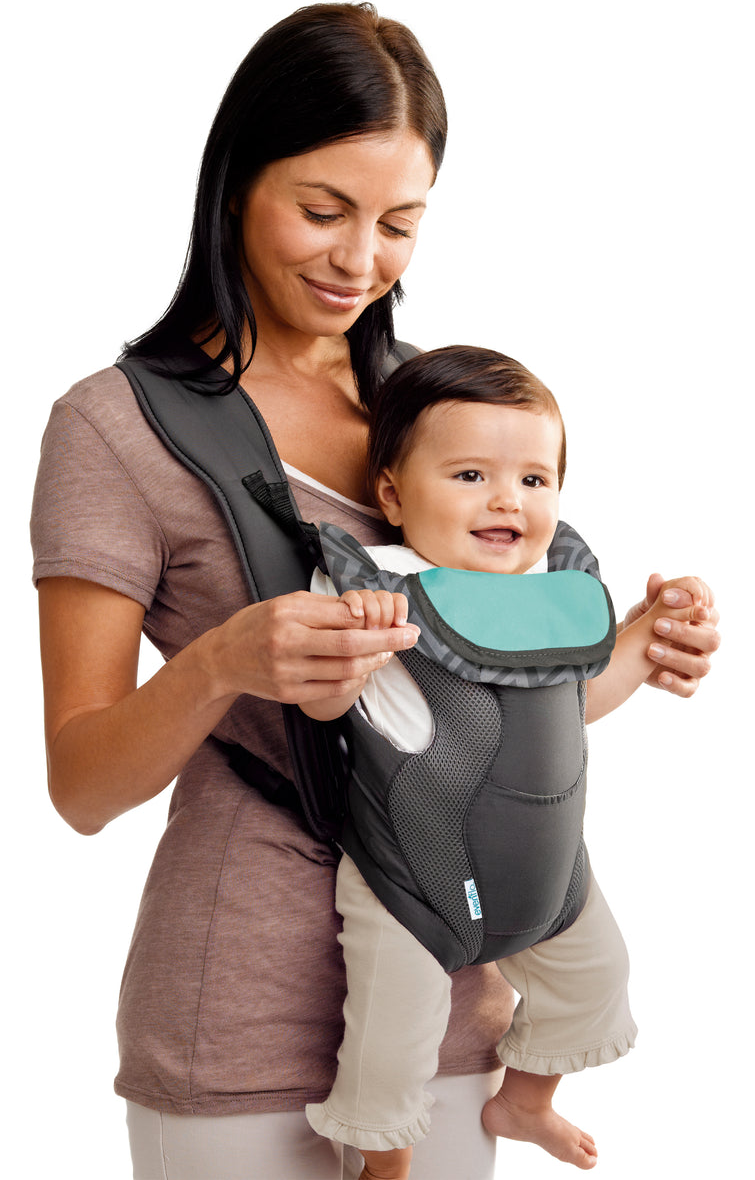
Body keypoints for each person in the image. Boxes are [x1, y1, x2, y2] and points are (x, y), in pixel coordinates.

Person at [30, 1, 721, 1180]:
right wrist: (219, 663)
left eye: (399, 223)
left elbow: (476, 700)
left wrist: (626, 651)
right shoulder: (118, 428)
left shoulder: (444, 427)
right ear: (234, 183)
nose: (361, 261)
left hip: (446, 1003)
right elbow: (82, 783)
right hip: (234, 1016)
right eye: (322, 211)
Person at [297, 347, 712, 1178]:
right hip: (410, 873)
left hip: (548, 872)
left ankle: (525, 1100)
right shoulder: (375, 584)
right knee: (394, 1035)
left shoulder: (554, 590)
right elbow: (318, 706)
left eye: (534, 481)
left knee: (598, 976)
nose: (506, 501)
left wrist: (654, 629)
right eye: (470, 475)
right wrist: (353, 631)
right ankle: (386, 1165)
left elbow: (583, 698)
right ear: (392, 493)